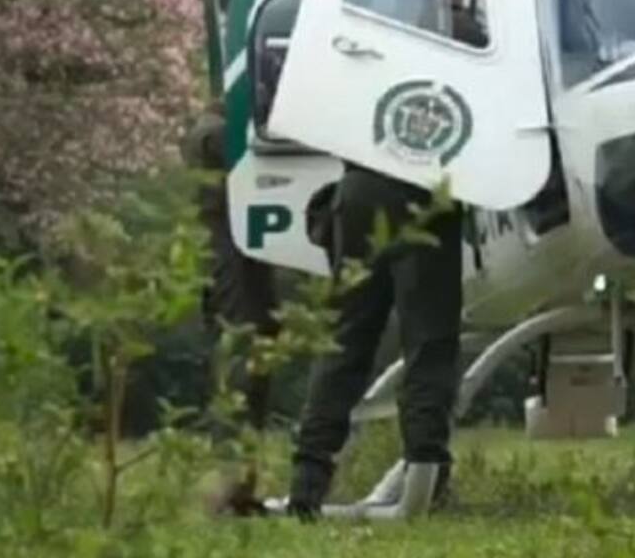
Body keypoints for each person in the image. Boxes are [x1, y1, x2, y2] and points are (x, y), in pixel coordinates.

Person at [286, 162, 464, 520]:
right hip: (424, 189)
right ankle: (426, 478)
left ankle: (306, 488)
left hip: (357, 191)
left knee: (344, 343)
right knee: (429, 344)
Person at [181, 98, 281, 515]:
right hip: (231, 259)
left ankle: (239, 489)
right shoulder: (214, 134)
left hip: (236, 256)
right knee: (242, 366)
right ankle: (230, 490)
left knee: (249, 366)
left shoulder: (211, 130)